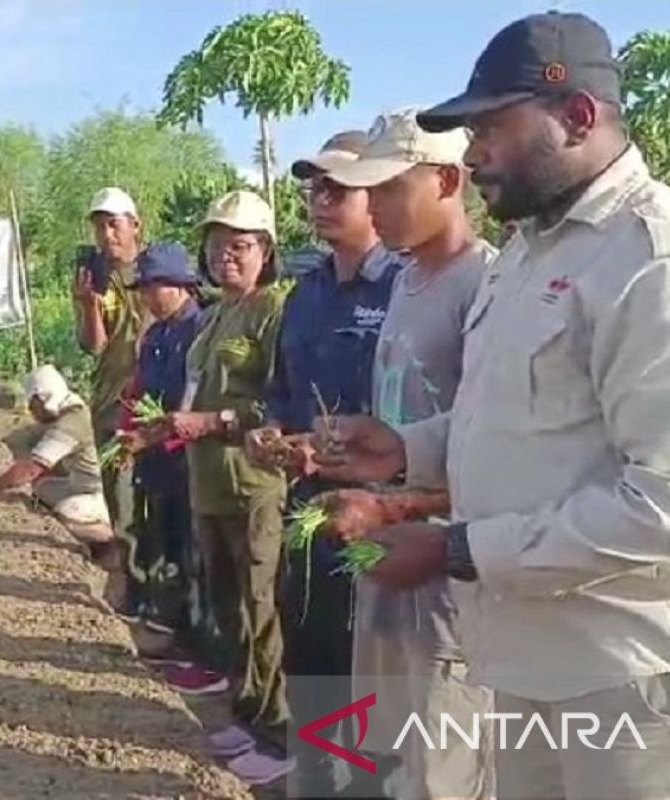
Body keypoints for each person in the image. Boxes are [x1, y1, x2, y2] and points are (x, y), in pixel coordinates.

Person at [314, 12, 670, 800]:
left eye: (490, 129)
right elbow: (517, 420)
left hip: (622, 678)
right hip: (521, 657)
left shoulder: (650, 263)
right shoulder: (529, 255)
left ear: (577, 117)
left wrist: (456, 551)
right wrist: (407, 445)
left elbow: (661, 504)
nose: (472, 155)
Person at [321, 108, 496, 800]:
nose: (374, 204)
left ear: (448, 180)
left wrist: (402, 497)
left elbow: (494, 443)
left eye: (391, 187)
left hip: (449, 567)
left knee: (444, 763)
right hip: (386, 547)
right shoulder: (404, 280)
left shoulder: (485, 284)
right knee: (388, 746)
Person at [242, 131, 405, 798]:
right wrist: (270, 435)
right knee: (311, 658)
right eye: (314, 187)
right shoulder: (303, 297)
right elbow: (280, 396)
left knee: (369, 675)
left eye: (339, 187)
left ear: (379, 196)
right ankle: (314, 779)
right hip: (307, 511)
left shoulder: (406, 288)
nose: (321, 199)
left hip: (381, 516)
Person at [159, 190, 291, 788]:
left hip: (255, 483)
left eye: (239, 247)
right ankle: (243, 709)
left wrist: (215, 424)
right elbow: (194, 393)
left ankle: (278, 729)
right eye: (216, 248)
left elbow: (277, 402)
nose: (225, 258)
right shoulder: (213, 316)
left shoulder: (274, 311)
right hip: (208, 482)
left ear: (265, 251)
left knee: (263, 607)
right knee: (226, 605)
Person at [0, 365, 124, 592]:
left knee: (68, 512)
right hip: (78, 485)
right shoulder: (69, 411)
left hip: (95, 493)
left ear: (43, 398)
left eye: (32, 402)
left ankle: (110, 544)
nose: (30, 409)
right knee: (42, 489)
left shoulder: (72, 422)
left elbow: (33, 467)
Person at [114, 242, 203, 641]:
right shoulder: (154, 334)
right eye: (144, 289)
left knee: (183, 540)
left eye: (155, 287)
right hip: (150, 452)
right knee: (155, 530)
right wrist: (127, 431)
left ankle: (178, 622)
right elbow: (137, 390)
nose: (148, 297)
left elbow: (193, 398)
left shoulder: (199, 329)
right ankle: (154, 602)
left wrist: (151, 436)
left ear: (181, 285)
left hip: (182, 454)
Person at [74, 187, 145, 616]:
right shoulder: (92, 277)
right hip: (110, 401)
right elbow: (94, 346)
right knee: (119, 498)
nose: (106, 233)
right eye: (100, 225)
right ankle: (131, 586)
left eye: (114, 223)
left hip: (152, 405)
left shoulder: (159, 272)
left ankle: (148, 590)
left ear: (135, 226)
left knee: (154, 500)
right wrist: (88, 306)